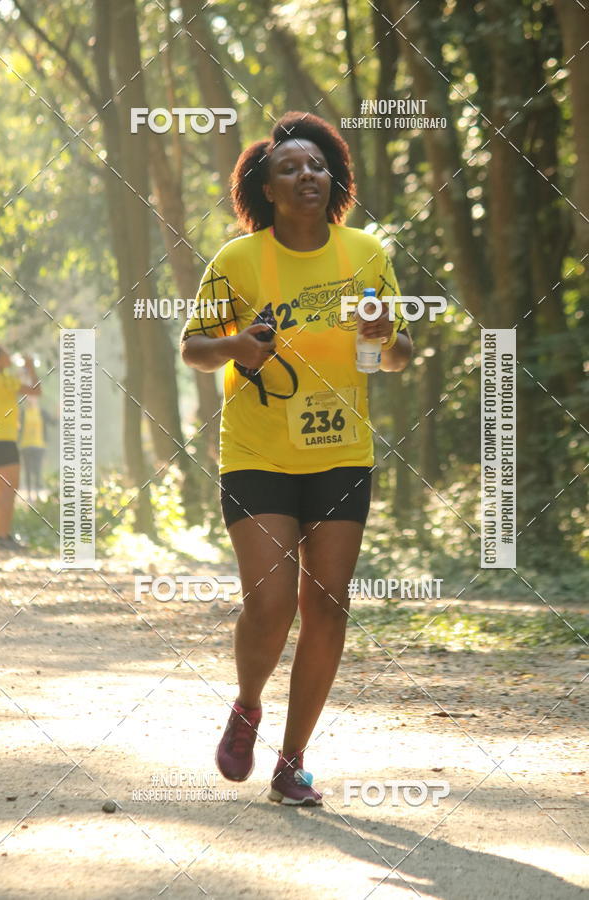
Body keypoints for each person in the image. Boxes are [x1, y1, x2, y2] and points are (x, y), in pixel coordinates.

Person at [180, 112, 413, 806]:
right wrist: (236, 349)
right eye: (289, 169)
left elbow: (392, 358)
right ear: (268, 189)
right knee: (271, 601)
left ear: (333, 178)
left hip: (341, 452)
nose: (306, 175)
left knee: (329, 604)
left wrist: (384, 337)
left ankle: (293, 761)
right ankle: (248, 703)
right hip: (257, 452)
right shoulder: (238, 260)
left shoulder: (367, 253)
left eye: (316, 166)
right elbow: (194, 347)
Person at [0, 340, 41, 552]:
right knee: (8, 490)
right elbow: (36, 391)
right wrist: (31, 370)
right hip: (3, 441)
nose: (8, 355)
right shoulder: (4, 380)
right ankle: (2, 537)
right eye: (4, 353)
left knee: (1, 490)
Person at [19, 395, 54, 502]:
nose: (30, 400)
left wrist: (59, 411)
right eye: (28, 398)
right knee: (28, 471)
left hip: (39, 446)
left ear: (36, 400)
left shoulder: (42, 412)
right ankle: (29, 495)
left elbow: (54, 423)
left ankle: (37, 494)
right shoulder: (23, 413)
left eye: (32, 398)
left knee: (37, 470)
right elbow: (18, 429)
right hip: (25, 446)